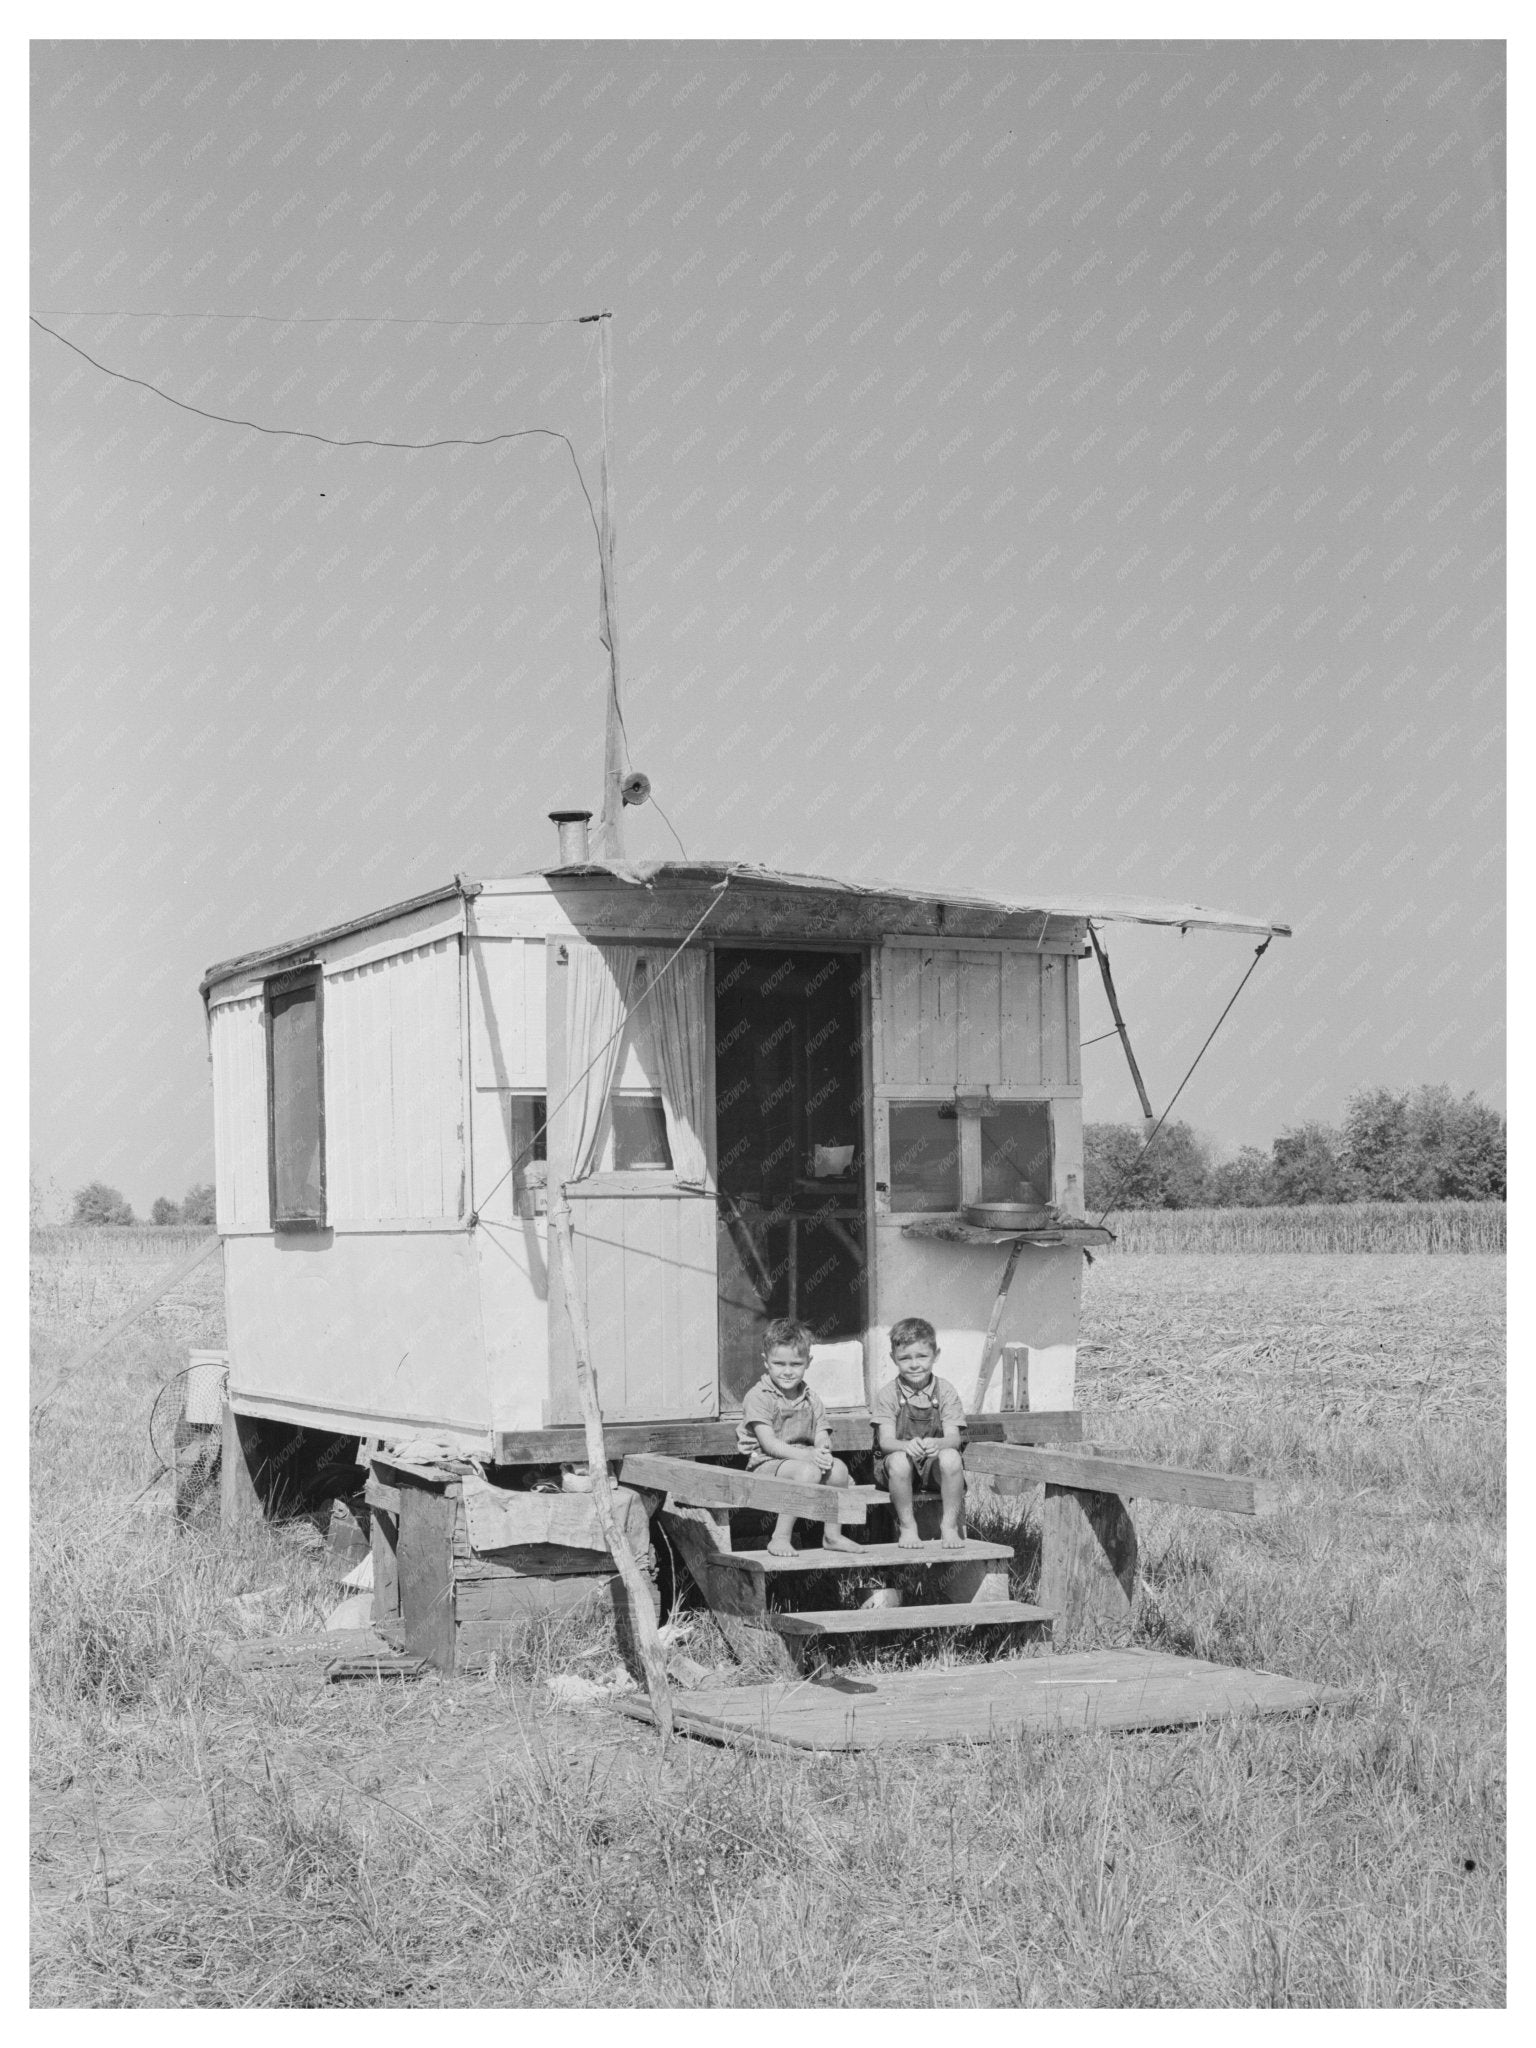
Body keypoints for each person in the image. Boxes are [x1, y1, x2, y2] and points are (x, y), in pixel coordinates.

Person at [737, 1317, 857, 1556]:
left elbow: (822, 1434)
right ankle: (780, 1537)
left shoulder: (811, 1398)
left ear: (808, 1362)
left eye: (796, 1364)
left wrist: (822, 1450)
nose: (788, 1371)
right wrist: (808, 1456)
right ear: (766, 1362)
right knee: (807, 1471)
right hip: (766, 1466)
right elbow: (769, 1445)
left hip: (803, 1461)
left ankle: (832, 1535)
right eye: (779, 1363)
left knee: (840, 1469)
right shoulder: (760, 1396)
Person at [871, 1316, 967, 1549]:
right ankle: (907, 1527)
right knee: (900, 1463)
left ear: (936, 1354)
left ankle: (949, 1525)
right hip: (899, 1470)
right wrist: (905, 1446)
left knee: (952, 1458)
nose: (914, 1365)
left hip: (932, 1469)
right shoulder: (888, 1394)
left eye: (922, 1356)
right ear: (894, 1358)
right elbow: (885, 1442)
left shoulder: (945, 1391)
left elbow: (954, 1439)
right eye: (905, 1358)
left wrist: (939, 1443)